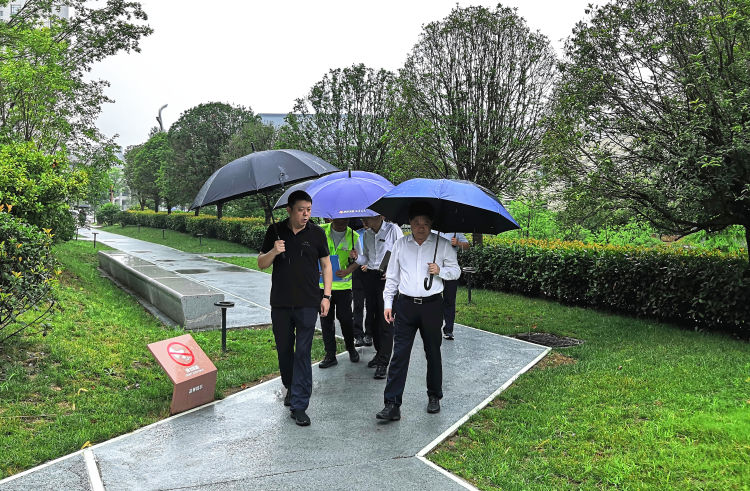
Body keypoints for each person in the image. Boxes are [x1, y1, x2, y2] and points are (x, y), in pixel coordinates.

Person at [376, 201, 460, 421]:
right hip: (405, 306)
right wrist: (388, 303)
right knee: (399, 354)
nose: (420, 227)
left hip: (432, 306)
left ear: (431, 224)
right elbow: (392, 277)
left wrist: (440, 271)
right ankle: (392, 403)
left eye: (425, 223)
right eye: (416, 223)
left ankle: (434, 396)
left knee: (432, 352)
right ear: (410, 224)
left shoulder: (442, 244)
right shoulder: (401, 245)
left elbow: (456, 271)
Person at [257, 190, 332, 427]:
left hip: (308, 302)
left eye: (309, 210)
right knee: (284, 351)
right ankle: (290, 385)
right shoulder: (275, 231)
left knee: (303, 352)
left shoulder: (317, 233)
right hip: (280, 303)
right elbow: (261, 264)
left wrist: (326, 295)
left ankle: (300, 405)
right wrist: (274, 251)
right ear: (289, 210)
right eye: (301, 210)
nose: (306, 214)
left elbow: (326, 265)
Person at [356, 214, 403, 379]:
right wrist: (357, 257)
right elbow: (366, 258)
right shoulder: (367, 234)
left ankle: (384, 362)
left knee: (386, 321)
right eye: (363, 218)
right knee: (372, 319)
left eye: (368, 218)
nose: (365, 221)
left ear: (381, 216)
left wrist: (392, 270)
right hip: (371, 276)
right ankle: (379, 353)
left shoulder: (393, 230)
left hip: (387, 279)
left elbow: (402, 253)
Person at [318, 218, 362, 368]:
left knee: (345, 319)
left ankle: (351, 348)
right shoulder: (320, 230)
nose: (342, 221)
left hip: (343, 287)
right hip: (323, 285)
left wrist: (349, 269)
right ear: (331, 217)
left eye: (345, 219)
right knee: (326, 320)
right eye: (338, 218)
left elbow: (361, 259)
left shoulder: (354, 236)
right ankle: (330, 355)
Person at [433, 231, 470, 340]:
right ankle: (433, 327)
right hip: (434, 270)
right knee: (434, 299)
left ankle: (448, 330)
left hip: (450, 271)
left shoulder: (455, 232)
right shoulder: (432, 230)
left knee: (449, 300)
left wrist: (458, 243)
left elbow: (467, 246)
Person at [350, 218, 371, 347]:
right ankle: (358, 334)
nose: (365, 222)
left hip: (371, 270)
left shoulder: (374, 233)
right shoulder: (354, 234)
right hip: (357, 270)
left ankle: (369, 333)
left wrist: (368, 264)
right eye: (363, 220)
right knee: (357, 304)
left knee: (371, 305)